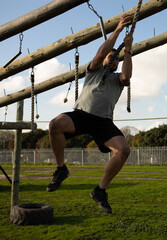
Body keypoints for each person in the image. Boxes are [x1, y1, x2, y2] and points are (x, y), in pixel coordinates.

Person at [46, 14, 133, 214]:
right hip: (82, 115)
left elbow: (127, 76)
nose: (114, 60)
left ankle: (100, 191)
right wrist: (118, 29)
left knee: (124, 150)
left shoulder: (117, 79)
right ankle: (61, 169)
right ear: (104, 59)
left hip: (103, 121)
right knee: (54, 125)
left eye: (117, 59)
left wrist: (127, 50)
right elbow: (101, 52)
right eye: (111, 56)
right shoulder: (93, 70)